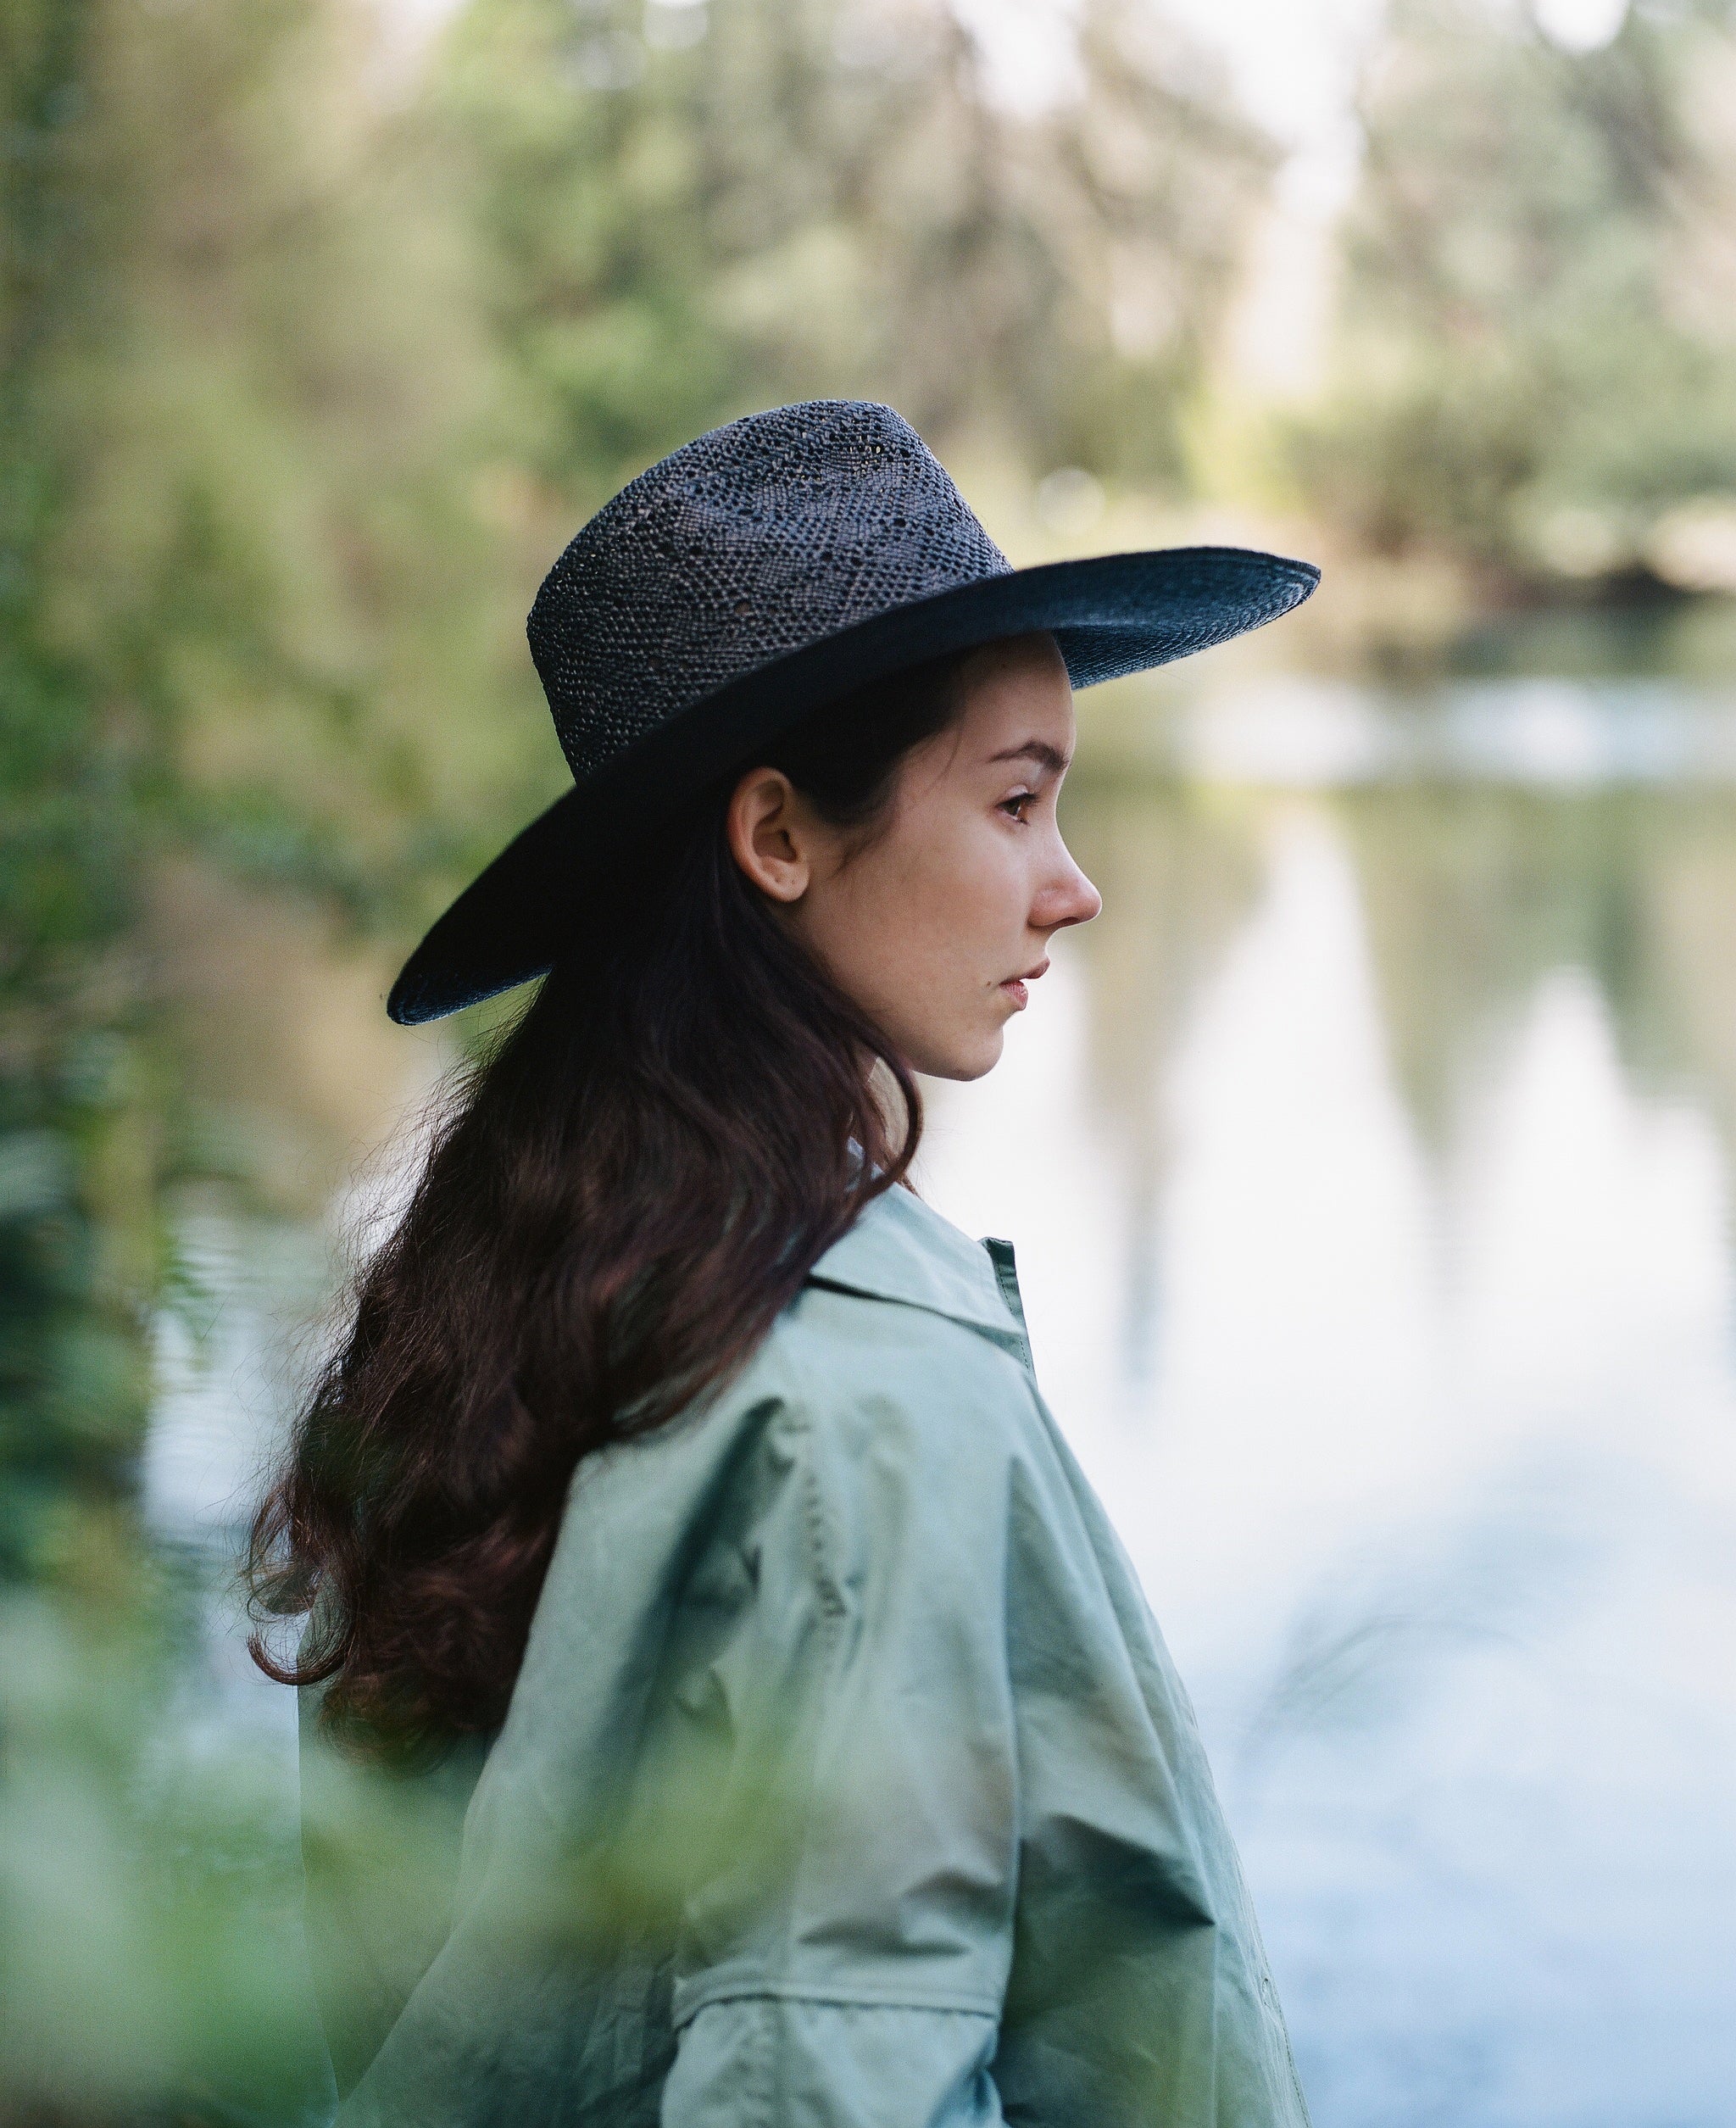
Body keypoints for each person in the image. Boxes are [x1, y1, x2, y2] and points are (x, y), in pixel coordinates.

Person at [248, 401, 1319, 2125]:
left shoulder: (484, 1294)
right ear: (776, 837)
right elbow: (829, 2059)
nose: (1074, 889)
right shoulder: (864, 1387)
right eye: (1017, 801)